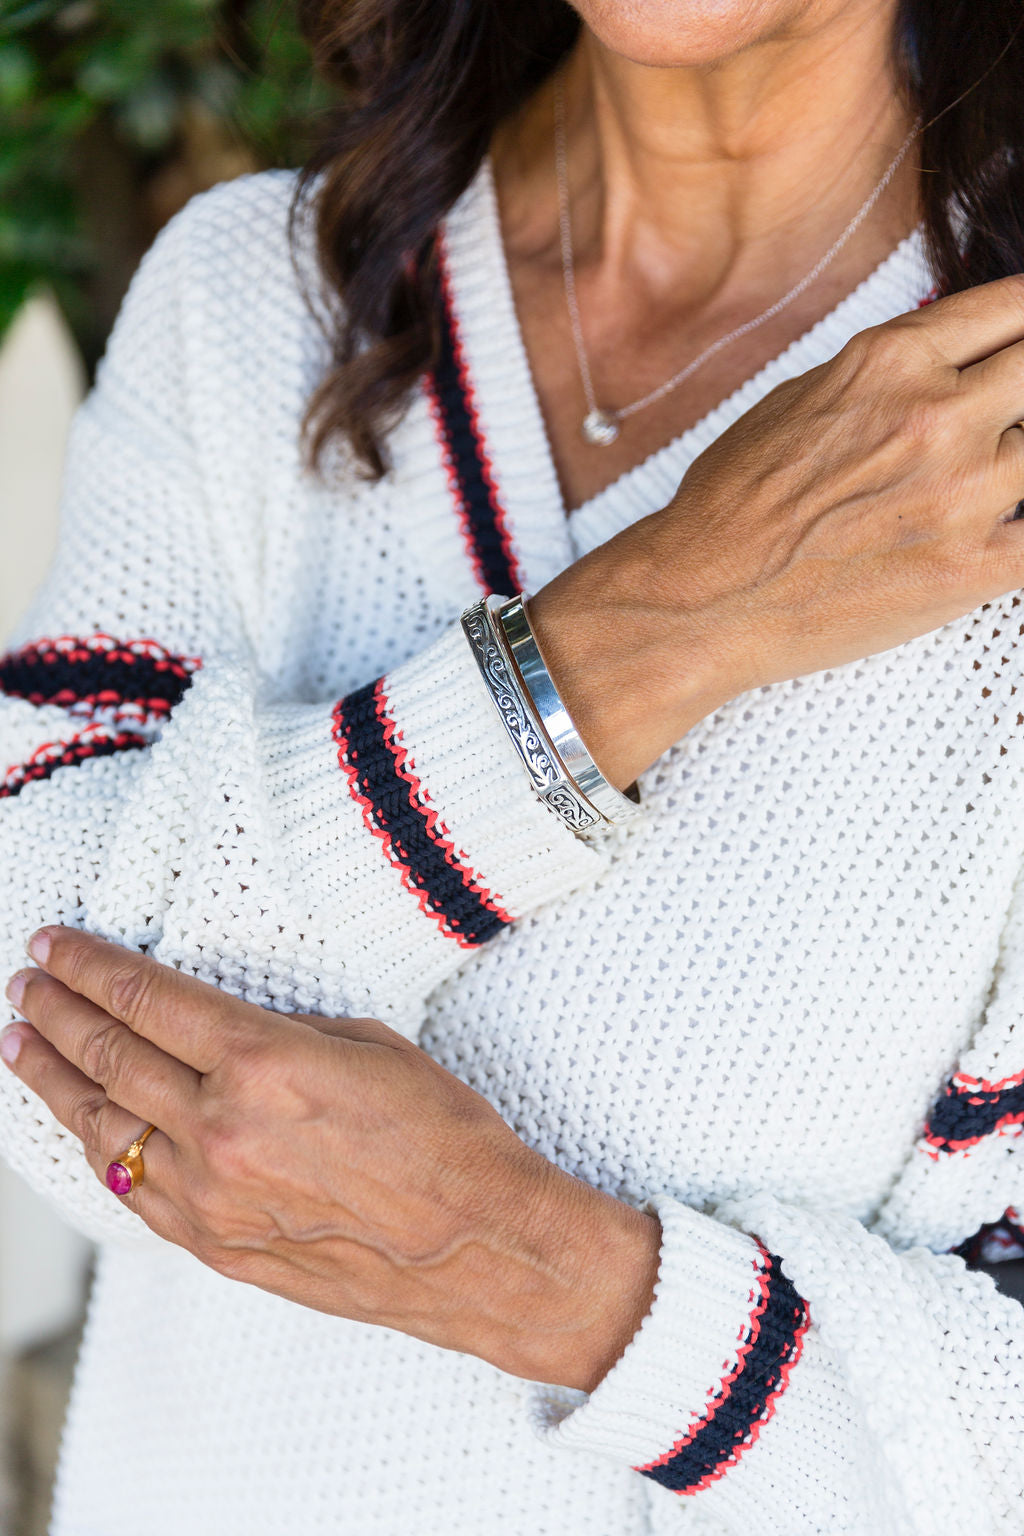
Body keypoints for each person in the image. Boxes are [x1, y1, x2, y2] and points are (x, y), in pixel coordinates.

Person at [1, 0, 1022, 1530]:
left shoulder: (990, 439)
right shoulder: (253, 302)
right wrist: (662, 615)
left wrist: (559, 1283)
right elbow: (41, 1064)